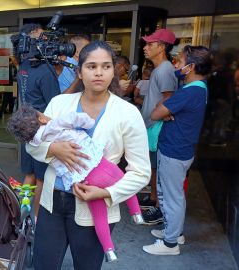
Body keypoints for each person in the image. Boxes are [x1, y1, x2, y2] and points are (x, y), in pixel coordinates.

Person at [26, 41, 150, 269]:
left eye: (106, 66)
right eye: (91, 66)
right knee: (43, 264)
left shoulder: (127, 113)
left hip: (96, 205)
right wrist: (53, 149)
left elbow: (141, 172)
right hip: (52, 202)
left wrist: (105, 192)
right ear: (80, 71)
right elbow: (32, 144)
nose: (99, 73)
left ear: (113, 70)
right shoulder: (60, 103)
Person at [7, 104, 144, 260]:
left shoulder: (34, 142)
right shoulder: (55, 122)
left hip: (81, 180)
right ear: (42, 118)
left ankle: (109, 249)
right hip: (96, 164)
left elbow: (31, 149)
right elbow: (78, 119)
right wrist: (88, 122)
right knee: (122, 180)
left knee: (99, 215)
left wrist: (52, 149)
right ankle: (136, 213)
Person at [143, 45, 212, 256]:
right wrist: (165, 112)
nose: (176, 65)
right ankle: (174, 232)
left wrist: (162, 112)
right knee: (170, 194)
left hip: (175, 151)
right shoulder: (199, 87)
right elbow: (163, 112)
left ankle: (170, 244)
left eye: (180, 62)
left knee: (172, 197)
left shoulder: (190, 91)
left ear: (190, 67)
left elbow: (155, 113)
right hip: (178, 149)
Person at [13, 23, 61, 219]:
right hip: (42, 130)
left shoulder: (23, 66)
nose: (46, 42)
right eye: (42, 38)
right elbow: (55, 105)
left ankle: (23, 212)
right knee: (41, 177)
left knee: (29, 175)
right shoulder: (44, 70)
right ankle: (36, 219)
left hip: (27, 127)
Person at [139, 29, 178, 224]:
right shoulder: (160, 68)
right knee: (153, 166)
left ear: (162, 47)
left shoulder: (165, 70)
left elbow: (168, 100)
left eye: (150, 44)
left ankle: (158, 208)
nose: (145, 48)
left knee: (157, 167)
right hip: (152, 125)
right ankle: (153, 198)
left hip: (157, 126)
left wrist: (155, 116)